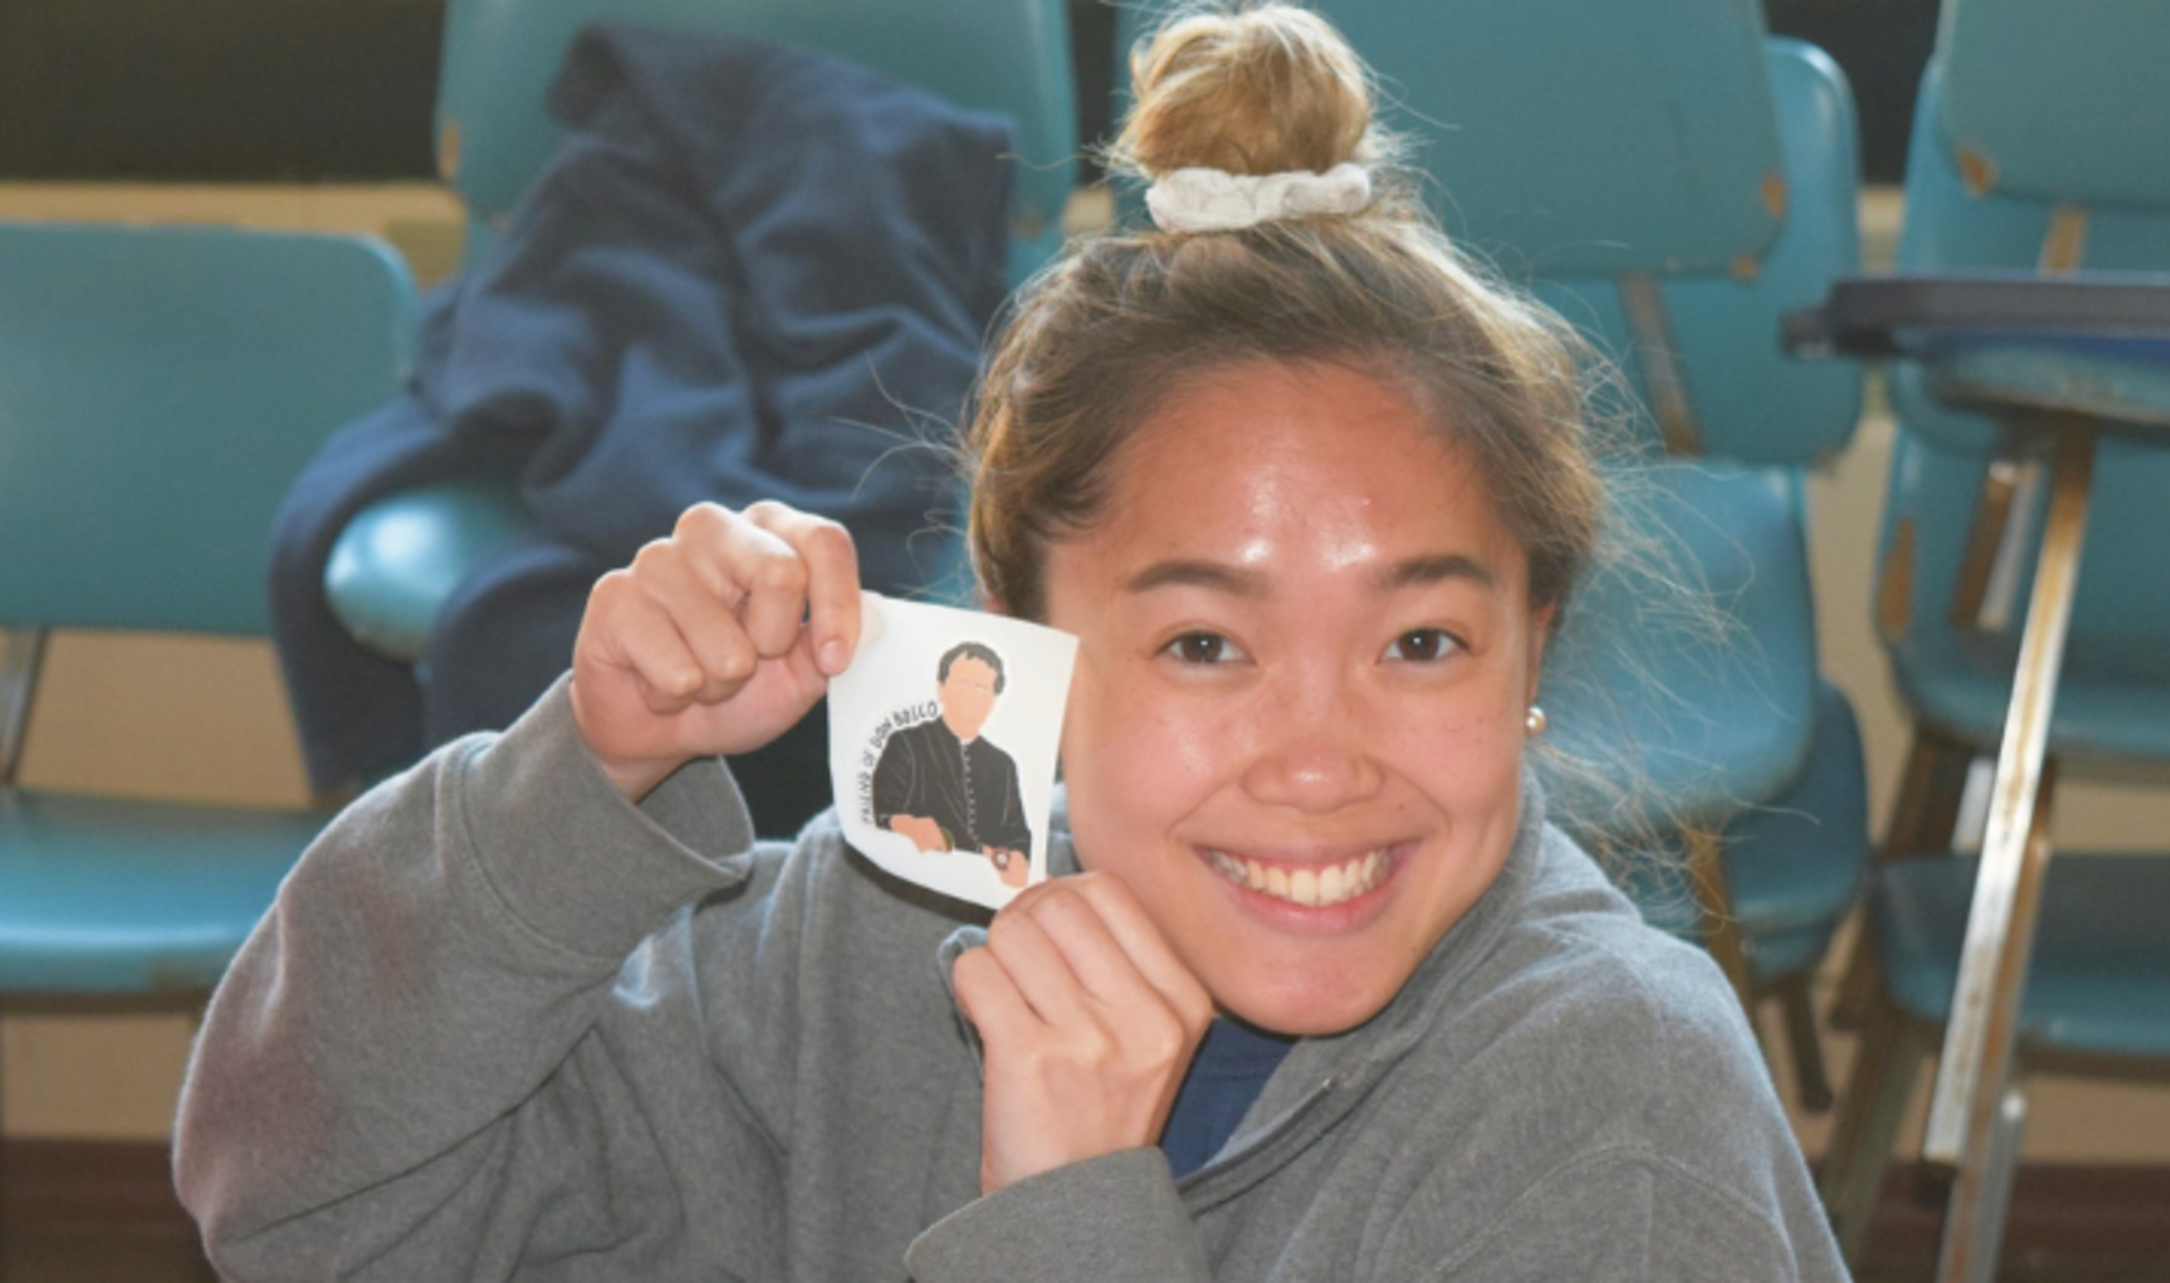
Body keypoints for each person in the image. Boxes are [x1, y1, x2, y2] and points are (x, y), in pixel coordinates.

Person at [174, 5, 1850, 1279]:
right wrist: (580, 773)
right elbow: (304, 1198)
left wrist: (1058, 1209)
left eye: (1421, 641)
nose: (1324, 757)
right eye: (1205, 643)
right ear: (1023, 652)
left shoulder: (1618, 1099)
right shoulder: (882, 930)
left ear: (1532, 652)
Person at [872, 641, 1033, 882]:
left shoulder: (1002, 764)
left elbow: (1016, 833)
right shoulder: (906, 743)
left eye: (981, 687)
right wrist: (904, 825)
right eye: (962, 683)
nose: (970, 696)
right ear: (941, 688)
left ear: (993, 698)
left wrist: (1017, 857)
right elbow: (880, 811)